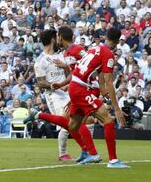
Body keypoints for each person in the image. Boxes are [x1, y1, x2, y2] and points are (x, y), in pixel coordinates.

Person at [32, 28, 129, 168]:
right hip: (81, 89)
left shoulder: (92, 49)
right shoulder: (107, 54)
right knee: (107, 119)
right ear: (117, 41)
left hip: (77, 89)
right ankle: (112, 160)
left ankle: (40, 115)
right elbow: (108, 81)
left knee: (72, 125)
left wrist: (66, 87)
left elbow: (82, 72)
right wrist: (117, 109)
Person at [26, 26, 100, 163]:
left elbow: (71, 74)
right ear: (54, 39)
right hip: (54, 96)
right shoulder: (40, 60)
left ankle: (86, 151)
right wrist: (55, 86)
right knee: (68, 124)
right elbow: (40, 82)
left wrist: (66, 77)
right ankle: (66, 153)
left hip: (69, 92)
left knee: (86, 121)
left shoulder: (62, 55)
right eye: (57, 37)